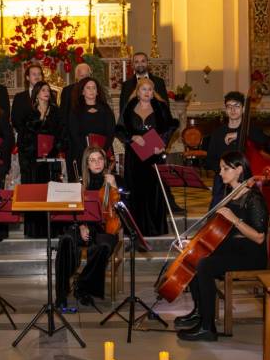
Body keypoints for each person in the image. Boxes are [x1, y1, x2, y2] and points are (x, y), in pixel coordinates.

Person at [176, 151, 268, 342]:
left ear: (239, 170)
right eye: (220, 168)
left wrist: (234, 219)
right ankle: (200, 313)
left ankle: (207, 328)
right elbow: (219, 231)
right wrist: (194, 243)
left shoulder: (254, 198)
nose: (220, 173)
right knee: (193, 255)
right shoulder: (231, 194)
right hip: (234, 249)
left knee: (205, 265)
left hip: (250, 255)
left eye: (225, 168)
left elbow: (259, 237)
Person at [54, 146, 121, 311]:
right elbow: (74, 211)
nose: (97, 163)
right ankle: (61, 294)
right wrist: (82, 226)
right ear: (87, 164)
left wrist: (114, 187)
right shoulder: (80, 184)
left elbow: (121, 207)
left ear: (105, 161)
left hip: (105, 227)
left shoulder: (114, 179)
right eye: (92, 160)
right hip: (83, 225)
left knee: (103, 246)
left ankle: (82, 286)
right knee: (66, 240)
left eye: (100, 159)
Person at [116, 78, 178, 236]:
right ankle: (136, 229)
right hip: (134, 157)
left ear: (153, 92)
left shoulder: (161, 107)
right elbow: (120, 129)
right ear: (137, 91)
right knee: (135, 191)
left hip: (154, 155)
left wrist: (163, 143)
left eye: (150, 90)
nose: (147, 92)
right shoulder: (129, 107)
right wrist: (132, 138)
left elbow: (171, 126)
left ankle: (154, 228)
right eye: (144, 89)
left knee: (154, 192)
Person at [16, 80, 64, 237]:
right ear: (36, 94)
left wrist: (52, 149)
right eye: (43, 90)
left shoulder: (56, 112)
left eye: (48, 90)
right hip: (34, 163)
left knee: (52, 195)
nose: (46, 92)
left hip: (51, 163)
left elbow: (62, 136)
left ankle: (53, 231)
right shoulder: (29, 113)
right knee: (36, 196)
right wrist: (35, 151)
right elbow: (23, 139)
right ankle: (35, 232)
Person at [205, 91, 267, 207]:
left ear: (243, 109)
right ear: (226, 109)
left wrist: (238, 135)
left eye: (237, 106)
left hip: (245, 181)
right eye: (229, 106)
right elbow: (209, 160)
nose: (233, 110)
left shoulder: (250, 130)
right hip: (223, 182)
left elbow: (263, 140)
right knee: (216, 213)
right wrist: (225, 171)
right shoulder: (218, 133)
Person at [65, 76, 116, 180]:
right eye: (88, 88)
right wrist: (87, 152)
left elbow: (111, 132)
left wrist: (102, 151)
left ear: (97, 92)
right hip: (82, 154)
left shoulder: (105, 109)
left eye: (94, 88)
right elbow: (74, 134)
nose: (91, 90)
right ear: (82, 92)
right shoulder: (75, 111)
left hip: (103, 153)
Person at [11, 63, 57, 134]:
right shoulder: (19, 97)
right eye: (34, 74)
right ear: (27, 77)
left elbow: (55, 119)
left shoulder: (50, 95)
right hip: (26, 139)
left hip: (47, 138)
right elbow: (16, 120)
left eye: (39, 74)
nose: (37, 76)